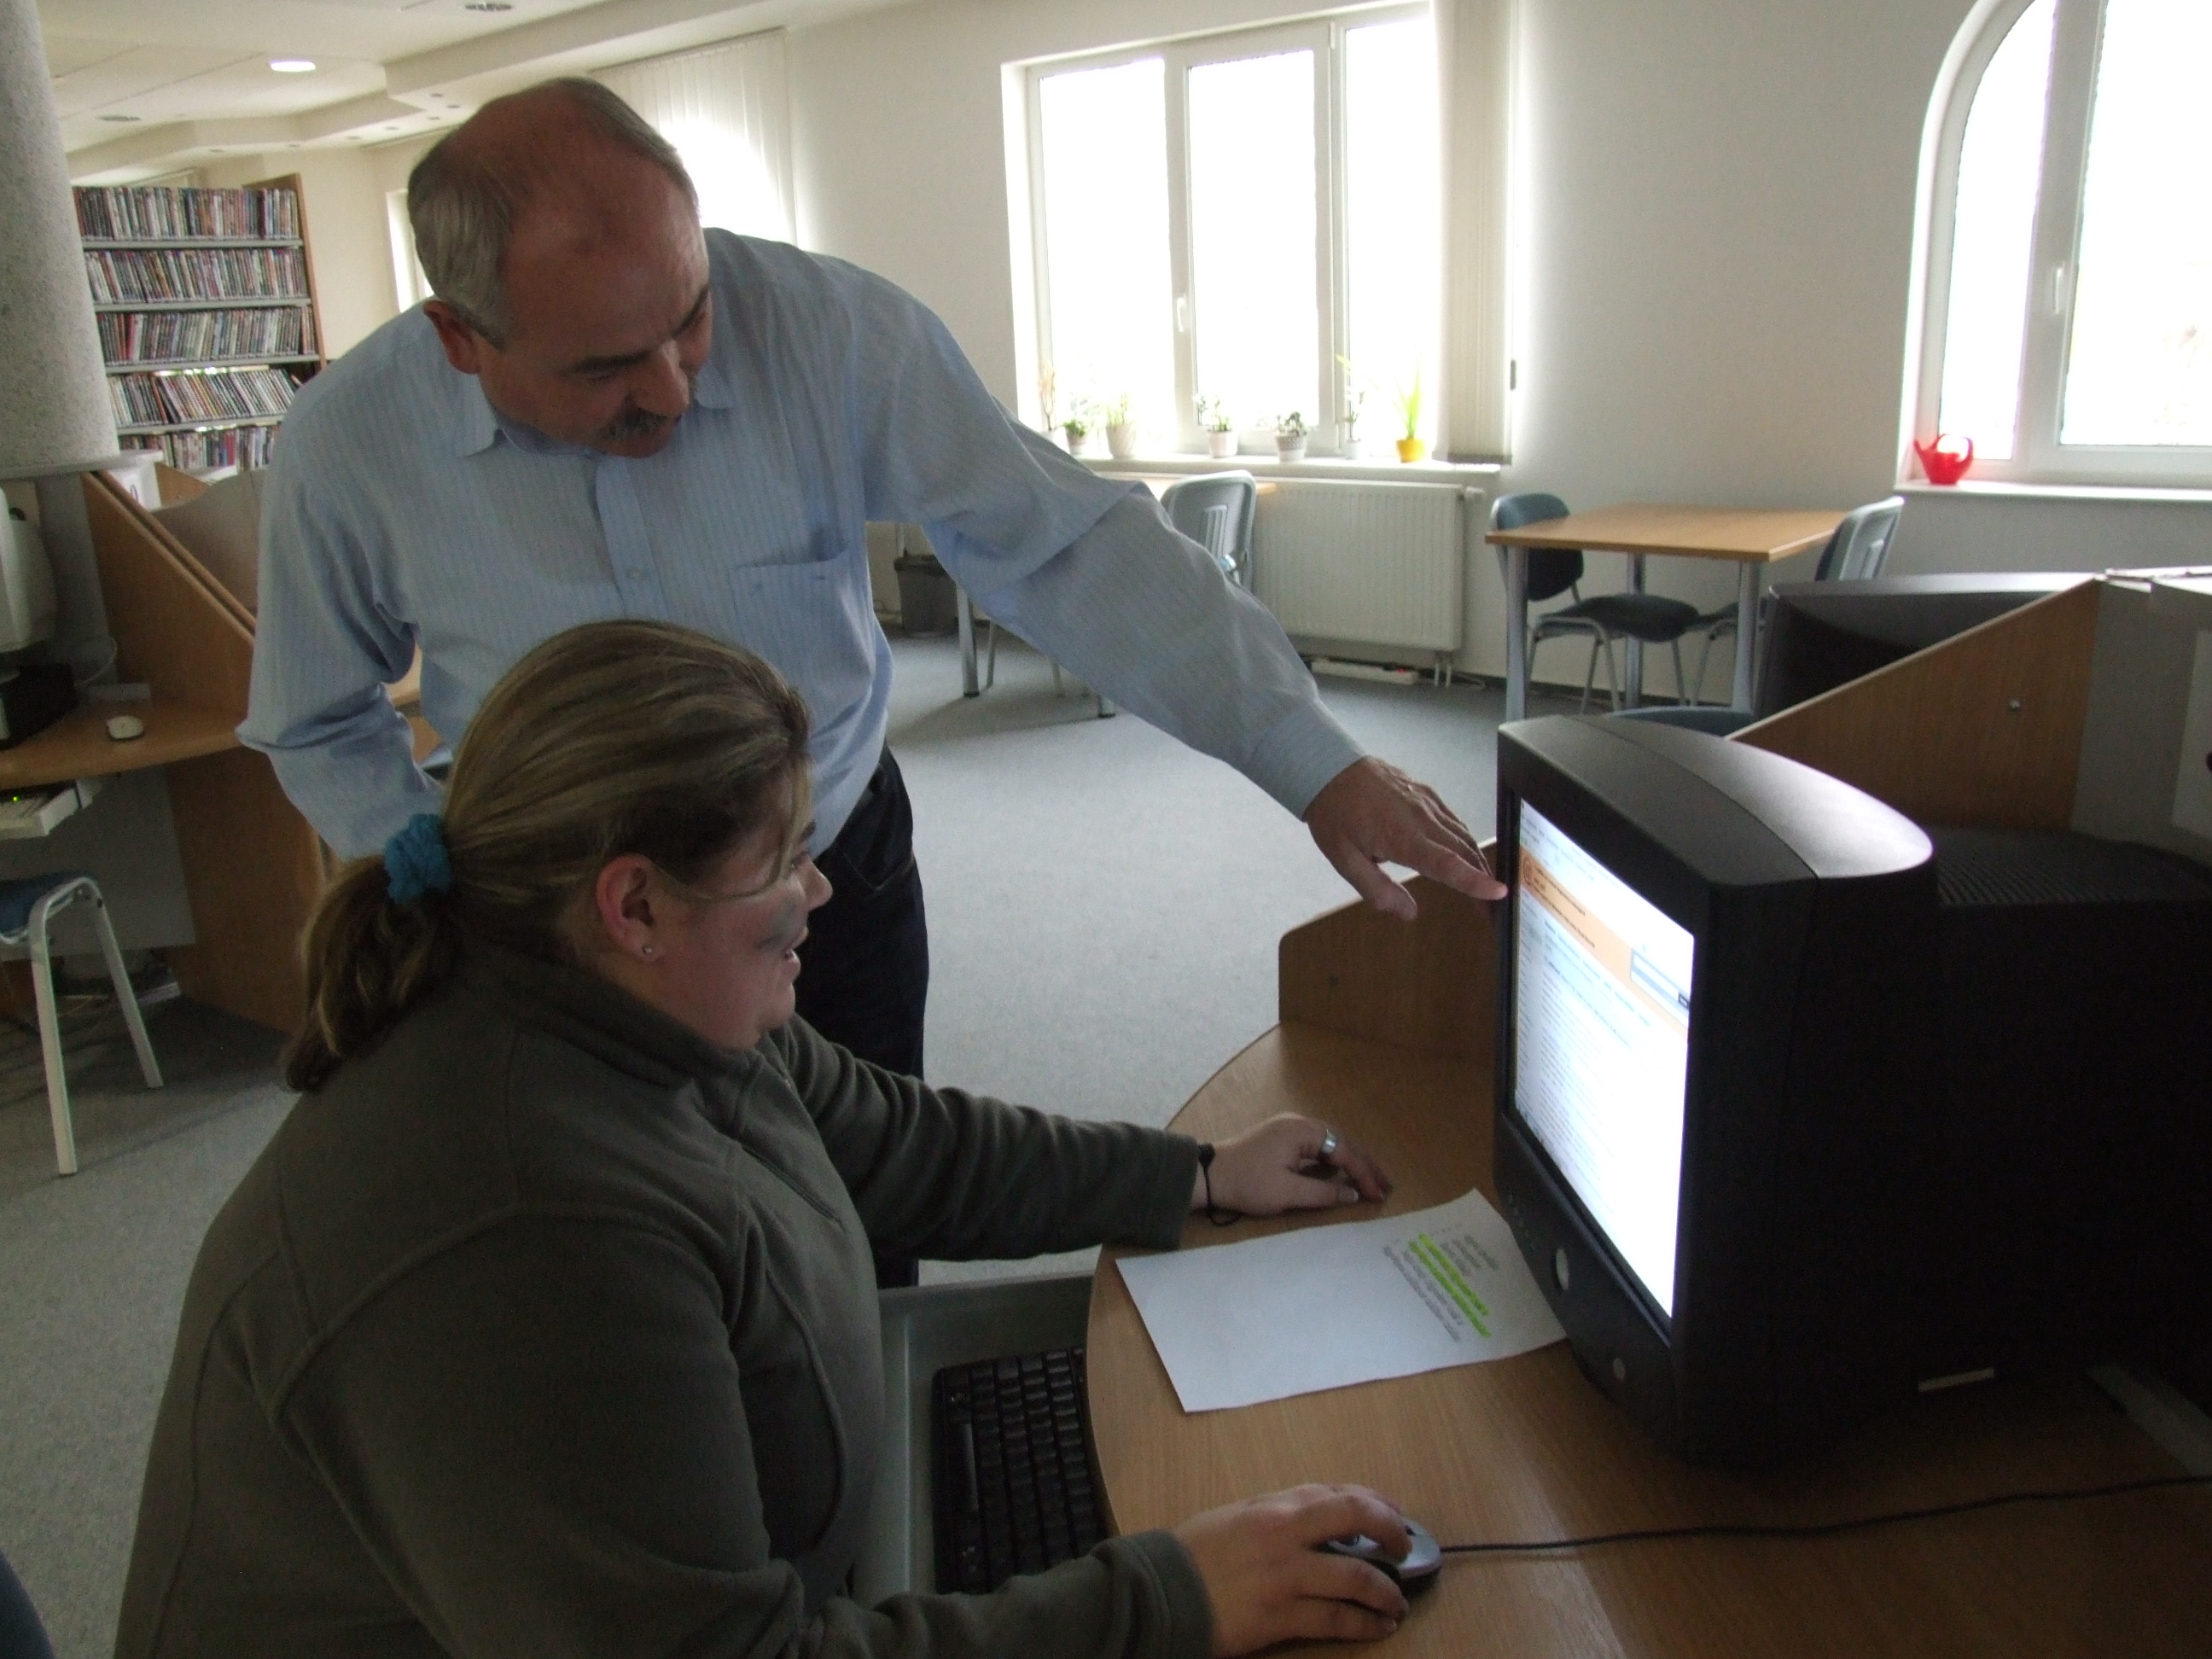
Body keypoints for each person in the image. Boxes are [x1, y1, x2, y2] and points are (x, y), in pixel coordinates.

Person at [119, 620, 1423, 1659]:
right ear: (634, 905)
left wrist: (1195, 1174)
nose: (821, 889)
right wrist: (1168, 1600)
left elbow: (905, 1146)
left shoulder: (647, 999)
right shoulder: (520, 1230)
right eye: (786, 858)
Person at [240, 76, 1505, 1089]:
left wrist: (1308, 755)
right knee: (629, 1259)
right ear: (461, 337)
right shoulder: (351, 443)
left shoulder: (833, 330)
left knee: (865, 1224)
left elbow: (1059, 543)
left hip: (829, 874)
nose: (673, 390)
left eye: (691, 317)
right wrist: (430, 870)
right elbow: (315, 714)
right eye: (606, 369)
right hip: (552, 934)